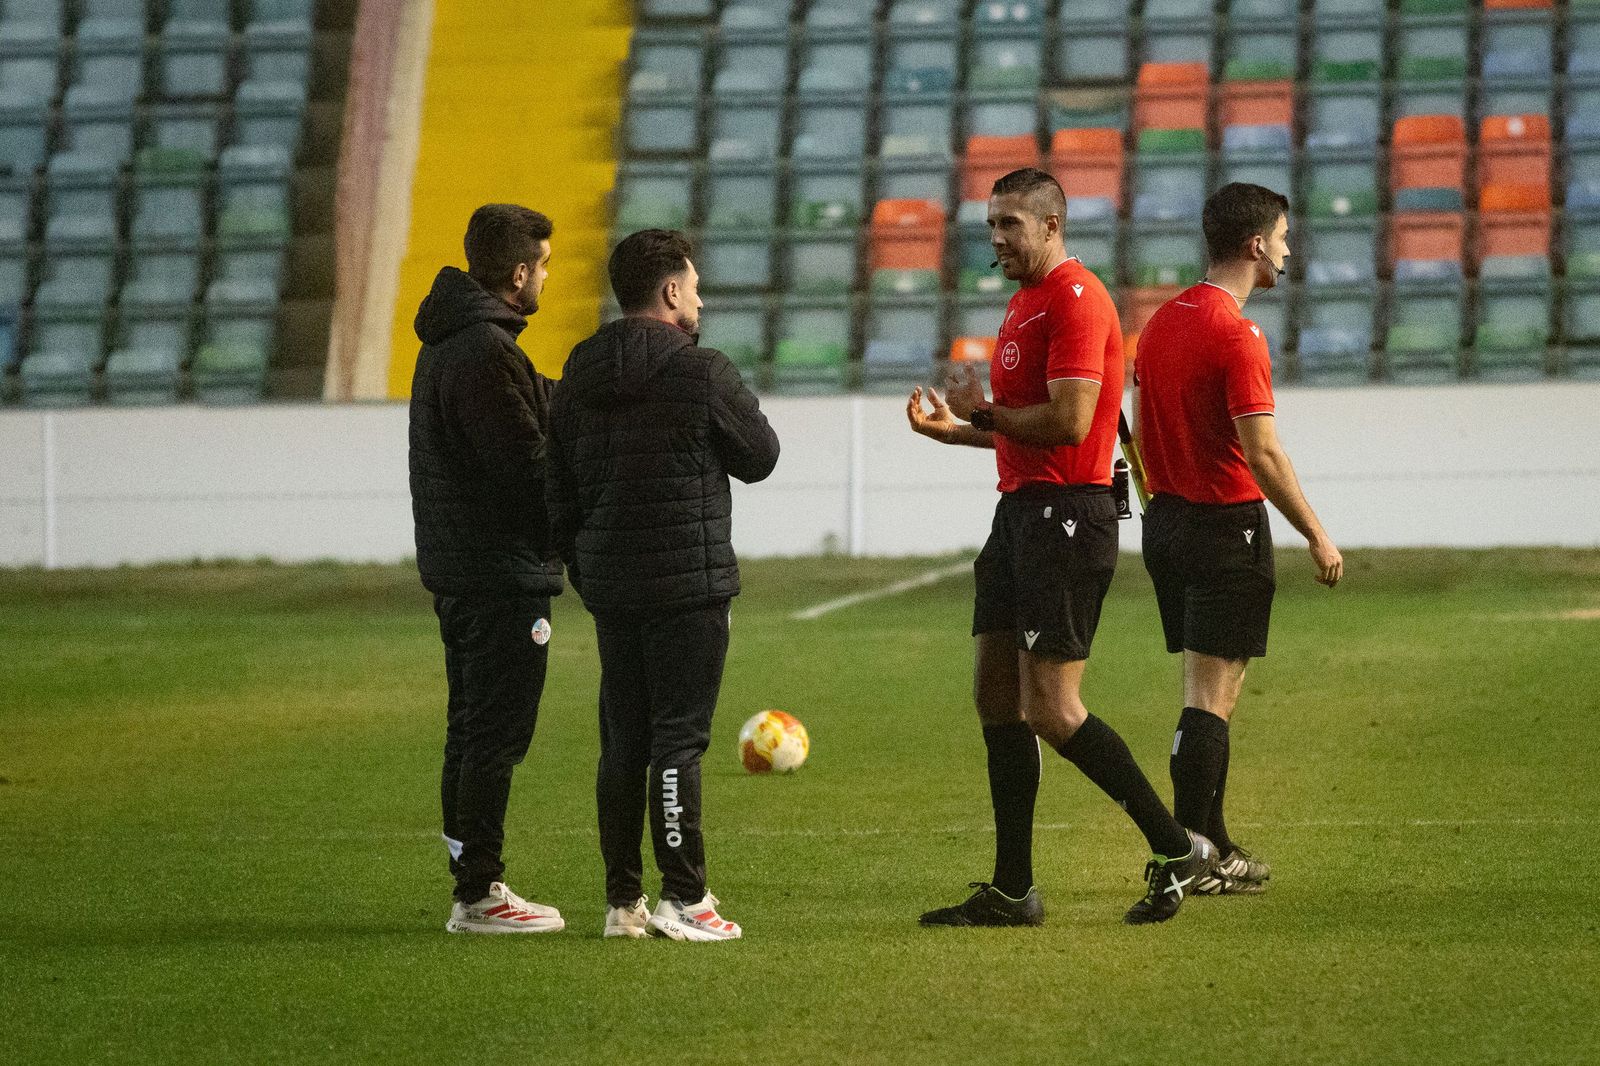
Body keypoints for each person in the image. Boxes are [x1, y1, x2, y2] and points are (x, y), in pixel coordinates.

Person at [907, 168, 1215, 927]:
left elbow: (1074, 423)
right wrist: (959, 429)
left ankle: (1176, 848)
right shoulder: (1022, 308)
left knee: (1051, 707)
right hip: (1022, 515)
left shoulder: (1078, 300)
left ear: (1051, 225)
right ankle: (1014, 889)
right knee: (995, 697)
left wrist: (984, 417)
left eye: (1011, 223)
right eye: (991, 225)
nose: (998, 239)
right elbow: (1025, 434)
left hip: (1068, 523)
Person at [547, 229, 779, 942]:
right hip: (689, 585)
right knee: (678, 741)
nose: (701, 299)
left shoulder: (579, 370)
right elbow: (761, 456)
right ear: (672, 291)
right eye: (696, 285)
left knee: (623, 743)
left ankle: (624, 904)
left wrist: (586, 568)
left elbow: (557, 490)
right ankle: (687, 898)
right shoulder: (701, 370)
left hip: (612, 587)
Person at [1133, 182, 1343, 895]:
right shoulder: (1237, 333)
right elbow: (1264, 453)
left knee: (1200, 689)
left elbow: (1138, 427)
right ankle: (1203, 852)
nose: (1288, 248)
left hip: (1167, 523)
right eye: (1282, 236)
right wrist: (1317, 535)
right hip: (1226, 524)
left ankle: (1204, 842)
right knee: (1213, 699)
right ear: (1256, 246)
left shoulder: (1162, 323)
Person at [409, 204, 566, 934]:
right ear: (518, 272)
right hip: (497, 573)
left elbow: (538, 408)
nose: (548, 276)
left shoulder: (462, 341)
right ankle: (480, 893)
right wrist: (570, 538)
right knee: (495, 735)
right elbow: (525, 468)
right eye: (543, 263)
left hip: (468, 567)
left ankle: (471, 882)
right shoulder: (481, 349)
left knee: (472, 730)